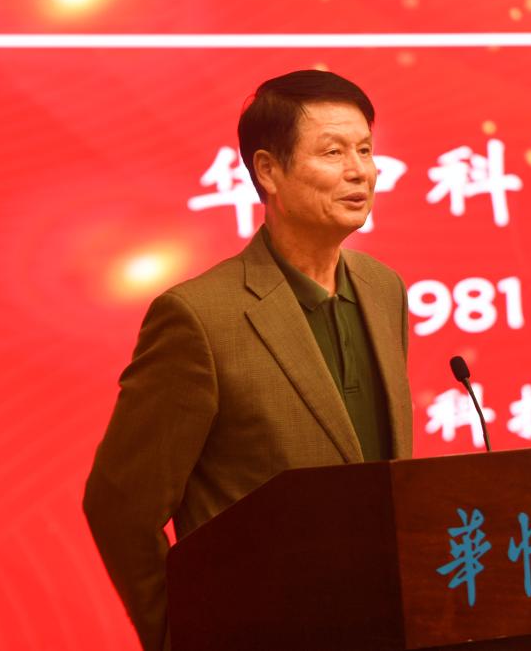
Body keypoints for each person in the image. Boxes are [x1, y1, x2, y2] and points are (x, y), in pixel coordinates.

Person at [83, 70, 413, 651]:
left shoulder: (383, 289)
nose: (359, 170)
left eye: (365, 150)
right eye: (332, 152)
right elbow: (120, 507)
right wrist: (183, 634)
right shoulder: (199, 318)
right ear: (268, 170)